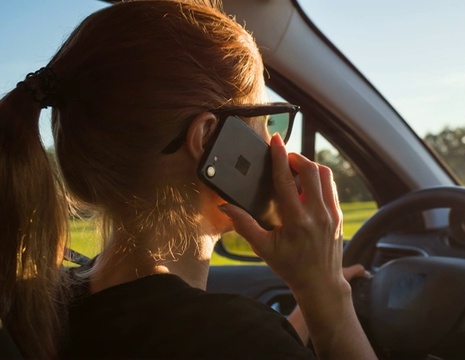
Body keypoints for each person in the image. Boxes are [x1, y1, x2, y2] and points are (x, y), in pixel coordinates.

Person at [0, 1, 376, 359]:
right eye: (266, 124)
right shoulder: (236, 340)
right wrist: (327, 293)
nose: (276, 147)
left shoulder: (40, 306)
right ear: (208, 139)